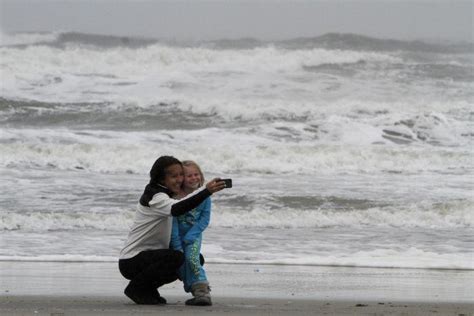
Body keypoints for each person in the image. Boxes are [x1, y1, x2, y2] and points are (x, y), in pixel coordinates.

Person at [118, 156, 225, 305]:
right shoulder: (155, 196)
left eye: (181, 175)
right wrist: (205, 191)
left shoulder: (168, 194)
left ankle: (148, 289)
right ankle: (137, 289)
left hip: (153, 255)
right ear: (161, 179)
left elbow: (184, 203)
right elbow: (177, 209)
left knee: (194, 258)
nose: (180, 179)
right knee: (175, 258)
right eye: (174, 176)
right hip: (132, 260)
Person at [170, 160, 213, 306]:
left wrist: (191, 235)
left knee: (192, 259)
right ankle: (194, 290)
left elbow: (204, 219)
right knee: (181, 262)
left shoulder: (204, 196)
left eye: (197, 174)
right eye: (189, 176)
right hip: (176, 237)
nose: (194, 178)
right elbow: (172, 222)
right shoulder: (174, 197)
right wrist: (176, 243)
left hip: (193, 237)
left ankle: (203, 291)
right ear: (182, 178)